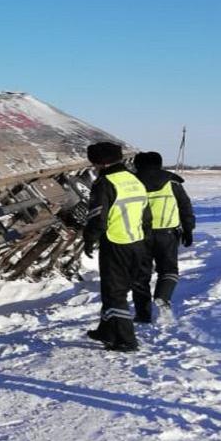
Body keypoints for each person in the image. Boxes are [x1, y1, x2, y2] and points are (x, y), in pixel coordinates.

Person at [83, 142, 152, 352]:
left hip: (116, 242)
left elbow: (98, 218)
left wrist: (89, 239)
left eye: (94, 163)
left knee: (114, 293)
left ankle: (126, 340)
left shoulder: (105, 183)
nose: (93, 167)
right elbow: (146, 215)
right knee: (116, 290)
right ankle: (106, 330)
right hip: (137, 242)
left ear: (101, 163)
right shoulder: (134, 180)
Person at [131, 151, 196, 323]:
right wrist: (188, 229)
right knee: (168, 270)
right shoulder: (172, 182)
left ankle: (142, 314)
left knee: (140, 275)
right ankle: (163, 297)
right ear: (159, 163)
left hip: (139, 235)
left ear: (137, 165)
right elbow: (185, 206)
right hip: (167, 234)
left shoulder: (131, 183)